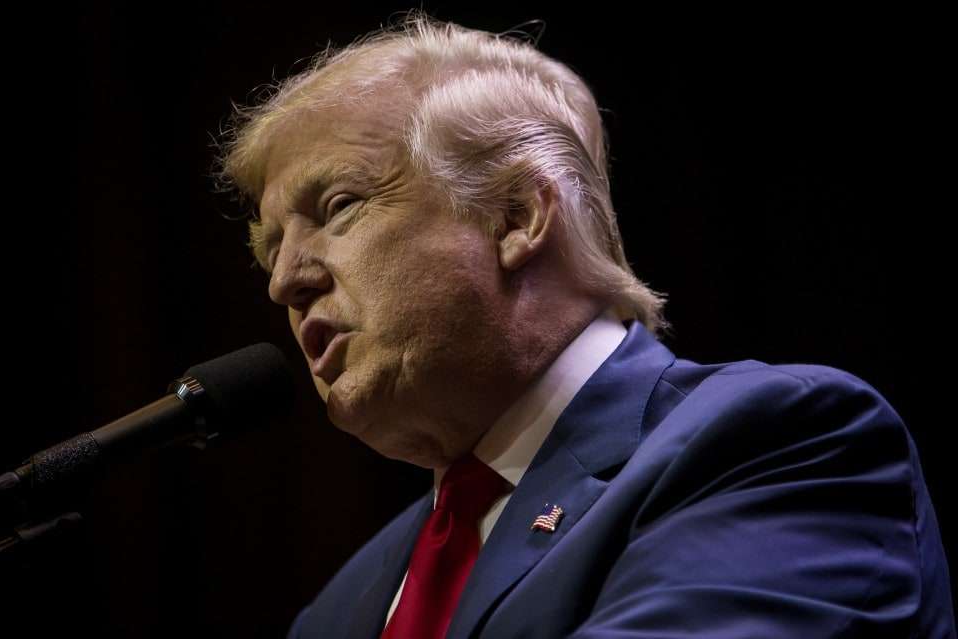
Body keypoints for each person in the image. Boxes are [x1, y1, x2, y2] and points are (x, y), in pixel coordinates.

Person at [216, 14, 955, 639]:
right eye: (271, 250)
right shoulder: (341, 607)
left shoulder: (779, 444)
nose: (287, 280)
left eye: (340, 206)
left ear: (516, 216)